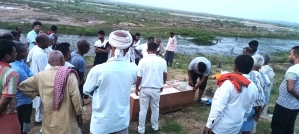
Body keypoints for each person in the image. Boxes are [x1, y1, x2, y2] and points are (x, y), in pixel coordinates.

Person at [84, 30, 138, 134]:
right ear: (128, 48)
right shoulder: (134, 69)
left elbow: (86, 91)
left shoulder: (97, 70)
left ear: (110, 46)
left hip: (101, 125)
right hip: (121, 123)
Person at [19, 50, 83, 134]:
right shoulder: (69, 75)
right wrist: (79, 114)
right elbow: (76, 96)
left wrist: (40, 93)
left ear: (48, 62)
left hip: (49, 119)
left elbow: (22, 86)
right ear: (62, 60)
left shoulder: (40, 76)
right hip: (67, 120)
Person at [204, 55, 258, 134]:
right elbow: (248, 109)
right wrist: (240, 120)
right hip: (235, 127)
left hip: (220, 128)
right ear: (251, 68)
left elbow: (218, 107)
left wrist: (209, 125)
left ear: (235, 67)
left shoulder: (229, 84)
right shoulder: (253, 87)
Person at [135, 42, 167, 134]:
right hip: (156, 89)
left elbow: (139, 77)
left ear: (146, 50)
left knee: (143, 109)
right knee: (155, 108)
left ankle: (141, 129)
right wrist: (162, 85)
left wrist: (137, 87)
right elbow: (165, 76)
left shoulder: (143, 61)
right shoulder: (162, 61)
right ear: (157, 50)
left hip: (145, 88)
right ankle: (155, 126)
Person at [271, 46, 299, 134]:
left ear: (295, 55)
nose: (289, 56)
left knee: (277, 127)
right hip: (295, 105)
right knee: (289, 127)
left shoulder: (293, 69)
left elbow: (290, 88)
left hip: (285, 104)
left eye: (290, 54)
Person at [10, 41, 33, 134]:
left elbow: (31, 74)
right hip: (22, 103)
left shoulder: (20, 62)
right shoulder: (17, 69)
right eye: (24, 51)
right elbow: (30, 82)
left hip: (25, 101)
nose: (26, 53)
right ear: (17, 53)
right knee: (21, 128)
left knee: (25, 126)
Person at [240, 55, 267, 134]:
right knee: (246, 129)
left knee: (235, 127)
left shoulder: (249, 75)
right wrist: (259, 113)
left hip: (246, 106)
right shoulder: (264, 76)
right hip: (256, 108)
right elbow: (266, 96)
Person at [28, 34, 50, 125]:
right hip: (40, 77)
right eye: (47, 41)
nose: (49, 43)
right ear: (41, 42)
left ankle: (39, 118)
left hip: (34, 75)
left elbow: (28, 59)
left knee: (39, 99)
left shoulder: (35, 48)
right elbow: (43, 69)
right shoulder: (40, 54)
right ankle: (38, 119)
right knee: (41, 99)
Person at [0, 39, 20, 134]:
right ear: (7, 56)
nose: (16, 54)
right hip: (6, 118)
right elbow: (4, 102)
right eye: (15, 52)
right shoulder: (11, 74)